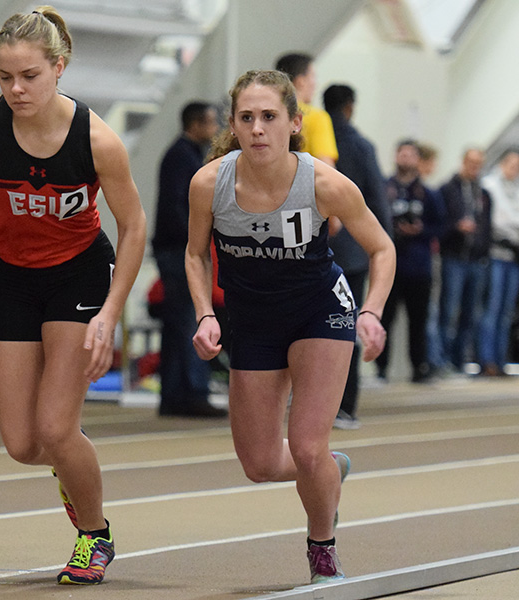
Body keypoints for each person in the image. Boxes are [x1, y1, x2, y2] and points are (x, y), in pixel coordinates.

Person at [0, 6, 147, 585]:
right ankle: (70, 472)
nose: (15, 89)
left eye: (28, 76)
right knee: (22, 443)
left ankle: (94, 534)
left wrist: (111, 312)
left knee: (57, 429)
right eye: (4, 77)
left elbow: (134, 226)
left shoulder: (98, 140)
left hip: (78, 278)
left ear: (59, 67)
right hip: (11, 275)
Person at [184, 70, 394, 584]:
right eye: (247, 118)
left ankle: (322, 547)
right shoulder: (210, 183)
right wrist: (205, 314)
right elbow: (193, 255)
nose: (258, 129)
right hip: (253, 319)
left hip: (318, 310)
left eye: (270, 118)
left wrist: (371, 311)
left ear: (294, 123)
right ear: (233, 125)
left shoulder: (323, 182)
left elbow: (382, 247)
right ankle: (329, 465)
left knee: (304, 445)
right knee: (258, 464)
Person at [322, 83, 391, 429]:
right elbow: (377, 201)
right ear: (350, 106)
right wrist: (384, 247)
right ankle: (344, 406)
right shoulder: (361, 146)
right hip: (352, 253)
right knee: (344, 328)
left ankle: (308, 404)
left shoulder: (304, 140)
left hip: (309, 250)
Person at [152, 101, 226, 418]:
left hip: (175, 247)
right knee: (189, 319)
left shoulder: (185, 154)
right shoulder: (181, 156)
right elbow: (177, 207)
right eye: (211, 123)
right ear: (195, 124)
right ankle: (192, 392)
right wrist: (196, 241)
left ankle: (174, 394)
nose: (214, 130)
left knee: (178, 323)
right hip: (178, 250)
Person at [376, 140, 445, 383]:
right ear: (396, 156)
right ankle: (381, 369)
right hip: (390, 267)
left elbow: (441, 226)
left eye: (411, 155)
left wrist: (420, 230)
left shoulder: (429, 194)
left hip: (419, 267)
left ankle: (419, 368)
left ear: (418, 159)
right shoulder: (384, 188)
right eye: (402, 154)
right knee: (385, 318)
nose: (406, 159)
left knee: (419, 320)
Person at [437, 148, 491, 373]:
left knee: (470, 313)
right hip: (453, 258)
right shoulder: (447, 189)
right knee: (448, 311)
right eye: (471, 162)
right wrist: (456, 228)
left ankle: (460, 361)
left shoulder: (484, 193)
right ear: (463, 161)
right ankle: (442, 360)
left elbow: (487, 226)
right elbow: (439, 223)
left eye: (479, 163)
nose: (474, 167)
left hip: (476, 260)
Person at [477, 149, 519, 376]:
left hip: (513, 256)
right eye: (512, 164)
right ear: (503, 162)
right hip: (495, 255)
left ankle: (501, 360)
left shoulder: (515, 188)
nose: (515, 169)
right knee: (491, 309)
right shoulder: (490, 186)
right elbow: (498, 221)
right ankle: (487, 360)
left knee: (506, 312)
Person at [275, 53, 337, 167]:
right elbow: (325, 165)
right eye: (313, 76)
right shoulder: (316, 117)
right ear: (300, 81)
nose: (315, 83)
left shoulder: (269, 114)